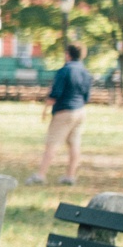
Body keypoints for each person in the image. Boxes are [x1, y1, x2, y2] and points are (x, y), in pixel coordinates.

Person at [30, 40, 93, 186]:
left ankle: (40, 175)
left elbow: (55, 93)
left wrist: (45, 110)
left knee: (52, 144)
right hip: (80, 111)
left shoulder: (64, 71)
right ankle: (70, 176)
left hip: (64, 111)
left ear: (67, 54)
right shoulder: (86, 72)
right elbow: (86, 96)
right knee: (74, 144)